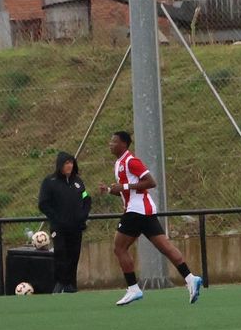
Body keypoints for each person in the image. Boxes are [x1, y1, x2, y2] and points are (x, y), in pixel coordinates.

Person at [104, 131, 203, 306]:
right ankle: (190, 278)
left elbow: (151, 182)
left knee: (119, 248)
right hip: (143, 210)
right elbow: (128, 190)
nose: (110, 144)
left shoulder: (131, 161)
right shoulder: (119, 163)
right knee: (165, 246)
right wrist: (112, 190)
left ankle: (133, 289)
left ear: (124, 144)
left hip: (136, 210)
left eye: (114, 141)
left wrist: (124, 186)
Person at [37, 150, 91, 293]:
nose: (70, 166)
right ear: (60, 165)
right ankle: (60, 282)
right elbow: (43, 204)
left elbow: (86, 198)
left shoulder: (78, 182)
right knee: (61, 253)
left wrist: (83, 215)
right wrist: (57, 219)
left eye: (71, 163)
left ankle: (71, 285)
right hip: (59, 227)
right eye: (67, 163)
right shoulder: (49, 182)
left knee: (74, 254)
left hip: (76, 227)